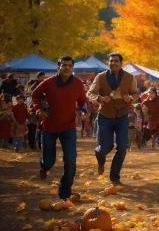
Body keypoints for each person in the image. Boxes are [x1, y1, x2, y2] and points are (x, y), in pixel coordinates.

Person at [32, 56, 88, 201]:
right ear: (58, 68)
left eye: (70, 65)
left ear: (72, 68)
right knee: (49, 161)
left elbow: (82, 101)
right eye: (64, 65)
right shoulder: (48, 83)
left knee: (70, 160)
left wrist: (82, 111)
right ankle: (44, 166)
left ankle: (64, 193)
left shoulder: (78, 84)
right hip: (49, 127)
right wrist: (38, 110)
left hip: (68, 127)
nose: (67, 68)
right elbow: (35, 95)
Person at [87, 53, 139, 186]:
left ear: (121, 63)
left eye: (116, 61)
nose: (113, 63)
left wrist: (131, 98)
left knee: (122, 147)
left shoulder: (130, 77)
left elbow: (135, 93)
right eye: (111, 61)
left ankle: (115, 177)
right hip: (104, 116)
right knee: (105, 147)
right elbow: (90, 93)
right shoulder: (101, 77)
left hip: (122, 116)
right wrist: (99, 99)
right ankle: (100, 159)